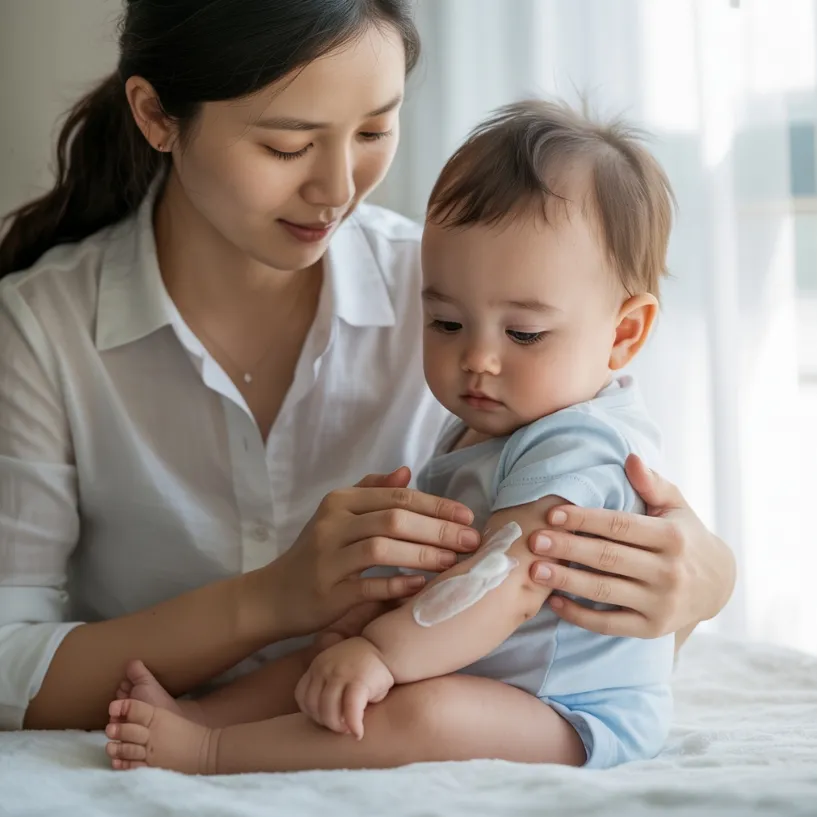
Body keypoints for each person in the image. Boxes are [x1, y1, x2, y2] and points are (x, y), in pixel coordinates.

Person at [0, 0, 734, 735]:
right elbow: (8, 665)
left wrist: (704, 584)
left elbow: (558, 623)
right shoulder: (41, 329)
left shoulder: (472, 297)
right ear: (156, 115)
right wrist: (270, 600)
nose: (338, 188)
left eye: (375, 130)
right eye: (287, 146)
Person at [103, 100, 679, 773]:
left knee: (420, 712)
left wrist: (384, 653)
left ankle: (211, 750)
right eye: (445, 323)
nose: (478, 359)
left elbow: (506, 583)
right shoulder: (489, 420)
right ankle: (200, 712)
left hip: (567, 708)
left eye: (522, 332)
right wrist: (368, 637)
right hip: (468, 659)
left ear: (623, 334)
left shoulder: (581, 442)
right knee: (329, 646)